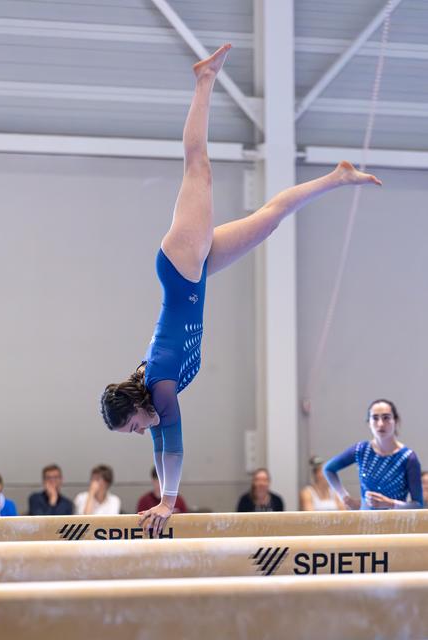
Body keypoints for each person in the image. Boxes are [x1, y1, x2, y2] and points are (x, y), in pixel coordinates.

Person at [100, 43, 382, 535]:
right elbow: (161, 440)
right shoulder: (152, 396)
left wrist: (168, 503)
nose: (138, 434)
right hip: (193, 275)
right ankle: (337, 178)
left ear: (135, 410)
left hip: (182, 267)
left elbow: (173, 442)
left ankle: (204, 79)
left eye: (131, 427)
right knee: (268, 220)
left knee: (197, 166)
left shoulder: (161, 385)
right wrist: (164, 496)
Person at [324, 399, 423, 510]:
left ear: (395, 420)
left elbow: (418, 505)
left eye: (386, 418)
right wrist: (345, 497)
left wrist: (391, 503)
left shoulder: (408, 458)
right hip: (366, 523)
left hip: (395, 524)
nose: (380, 424)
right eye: (375, 418)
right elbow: (328, 469)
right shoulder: (361, 450)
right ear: (369, 423)